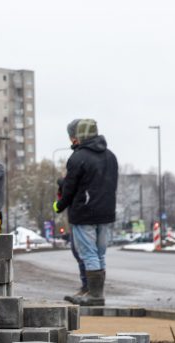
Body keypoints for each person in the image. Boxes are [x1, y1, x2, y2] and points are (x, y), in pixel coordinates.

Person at [53, 119, 119, 306]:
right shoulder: (111, 156)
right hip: (106, 213)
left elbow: (69, 189)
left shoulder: (77, 158)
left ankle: (95, 296)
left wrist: (59, 205)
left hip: (84, 213)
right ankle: (97, 293)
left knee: (88, 253)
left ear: (79, 136)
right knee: (100, 254)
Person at [57, 177, 88, 301]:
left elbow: (60, 204)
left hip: (80, 219)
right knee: (82, 253)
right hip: (80, 218)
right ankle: (88, 287)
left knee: (81, 253)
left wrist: (62, 188)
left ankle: (88, 287)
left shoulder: (75, 179)